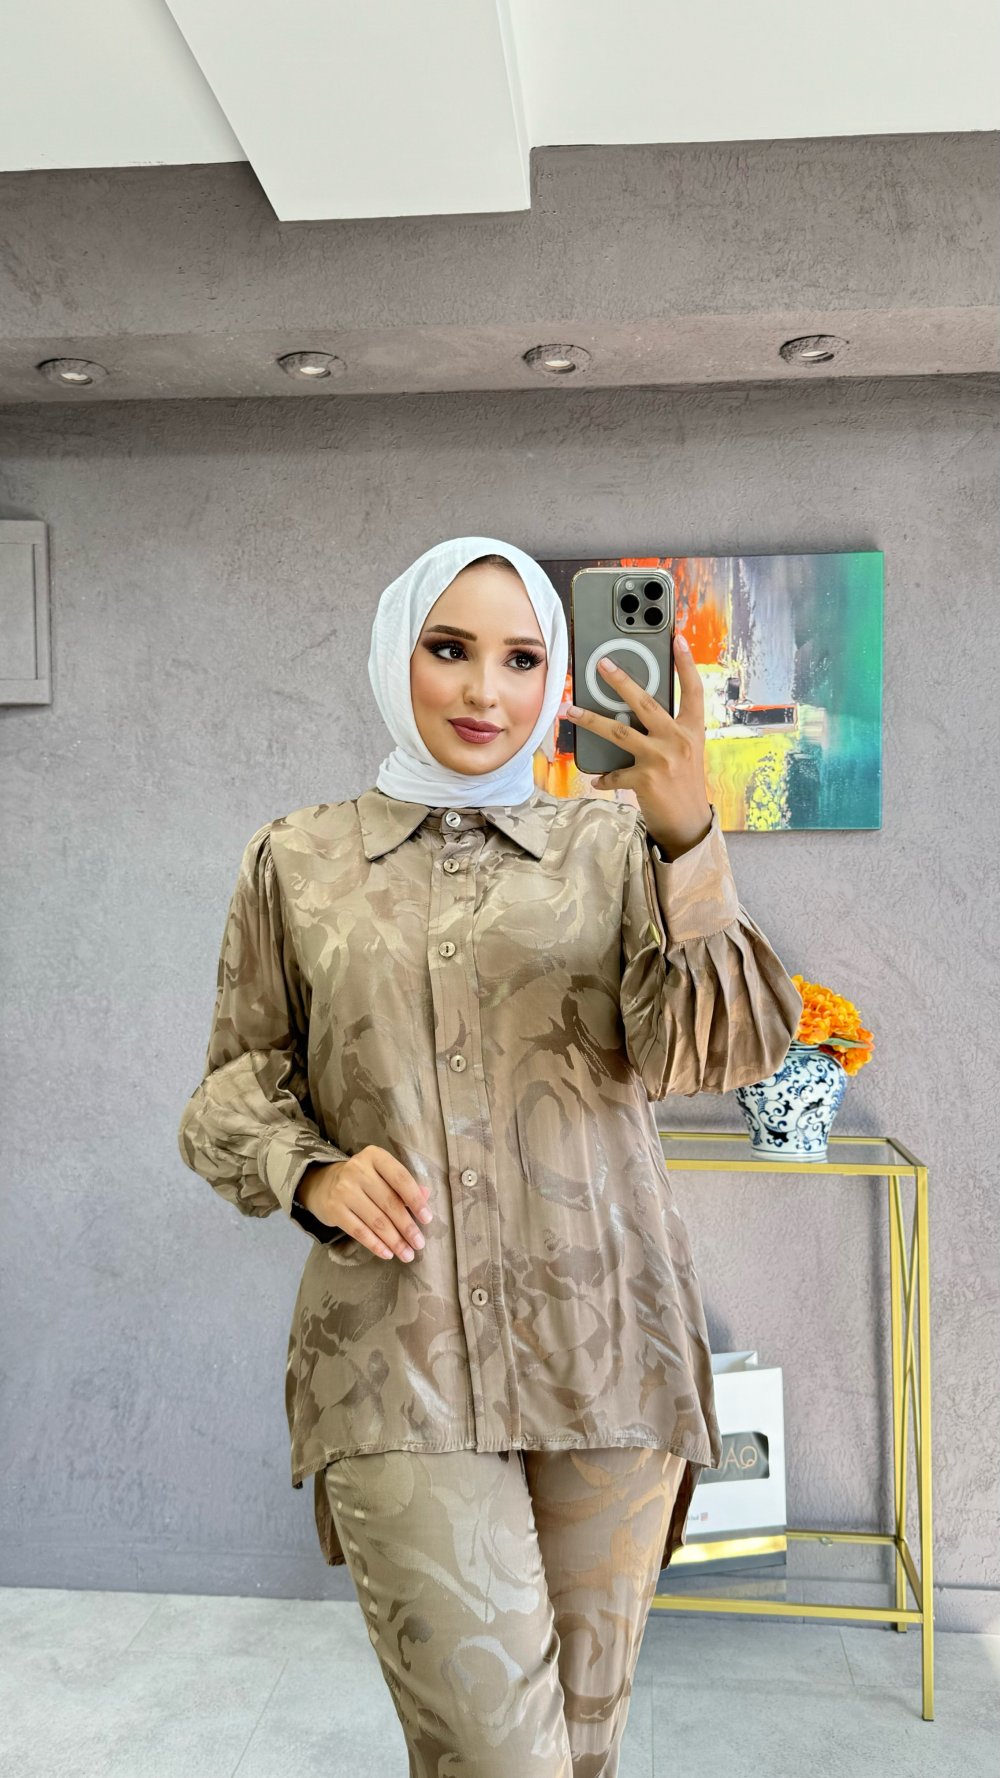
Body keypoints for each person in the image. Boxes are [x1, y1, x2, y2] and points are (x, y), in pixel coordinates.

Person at [177, 535, 804, 1778]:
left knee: (581, 1750)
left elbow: (717, 1048)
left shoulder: (613, 848)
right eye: (449, 648)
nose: (483, 690)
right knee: (495, 1759)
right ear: (392, 655)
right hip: (395, 1354)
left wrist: (690, 841)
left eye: (521, 659)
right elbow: (230, 1089)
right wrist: (309, 1169)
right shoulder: (296, 859)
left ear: (556, 674)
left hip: (609, 1348)